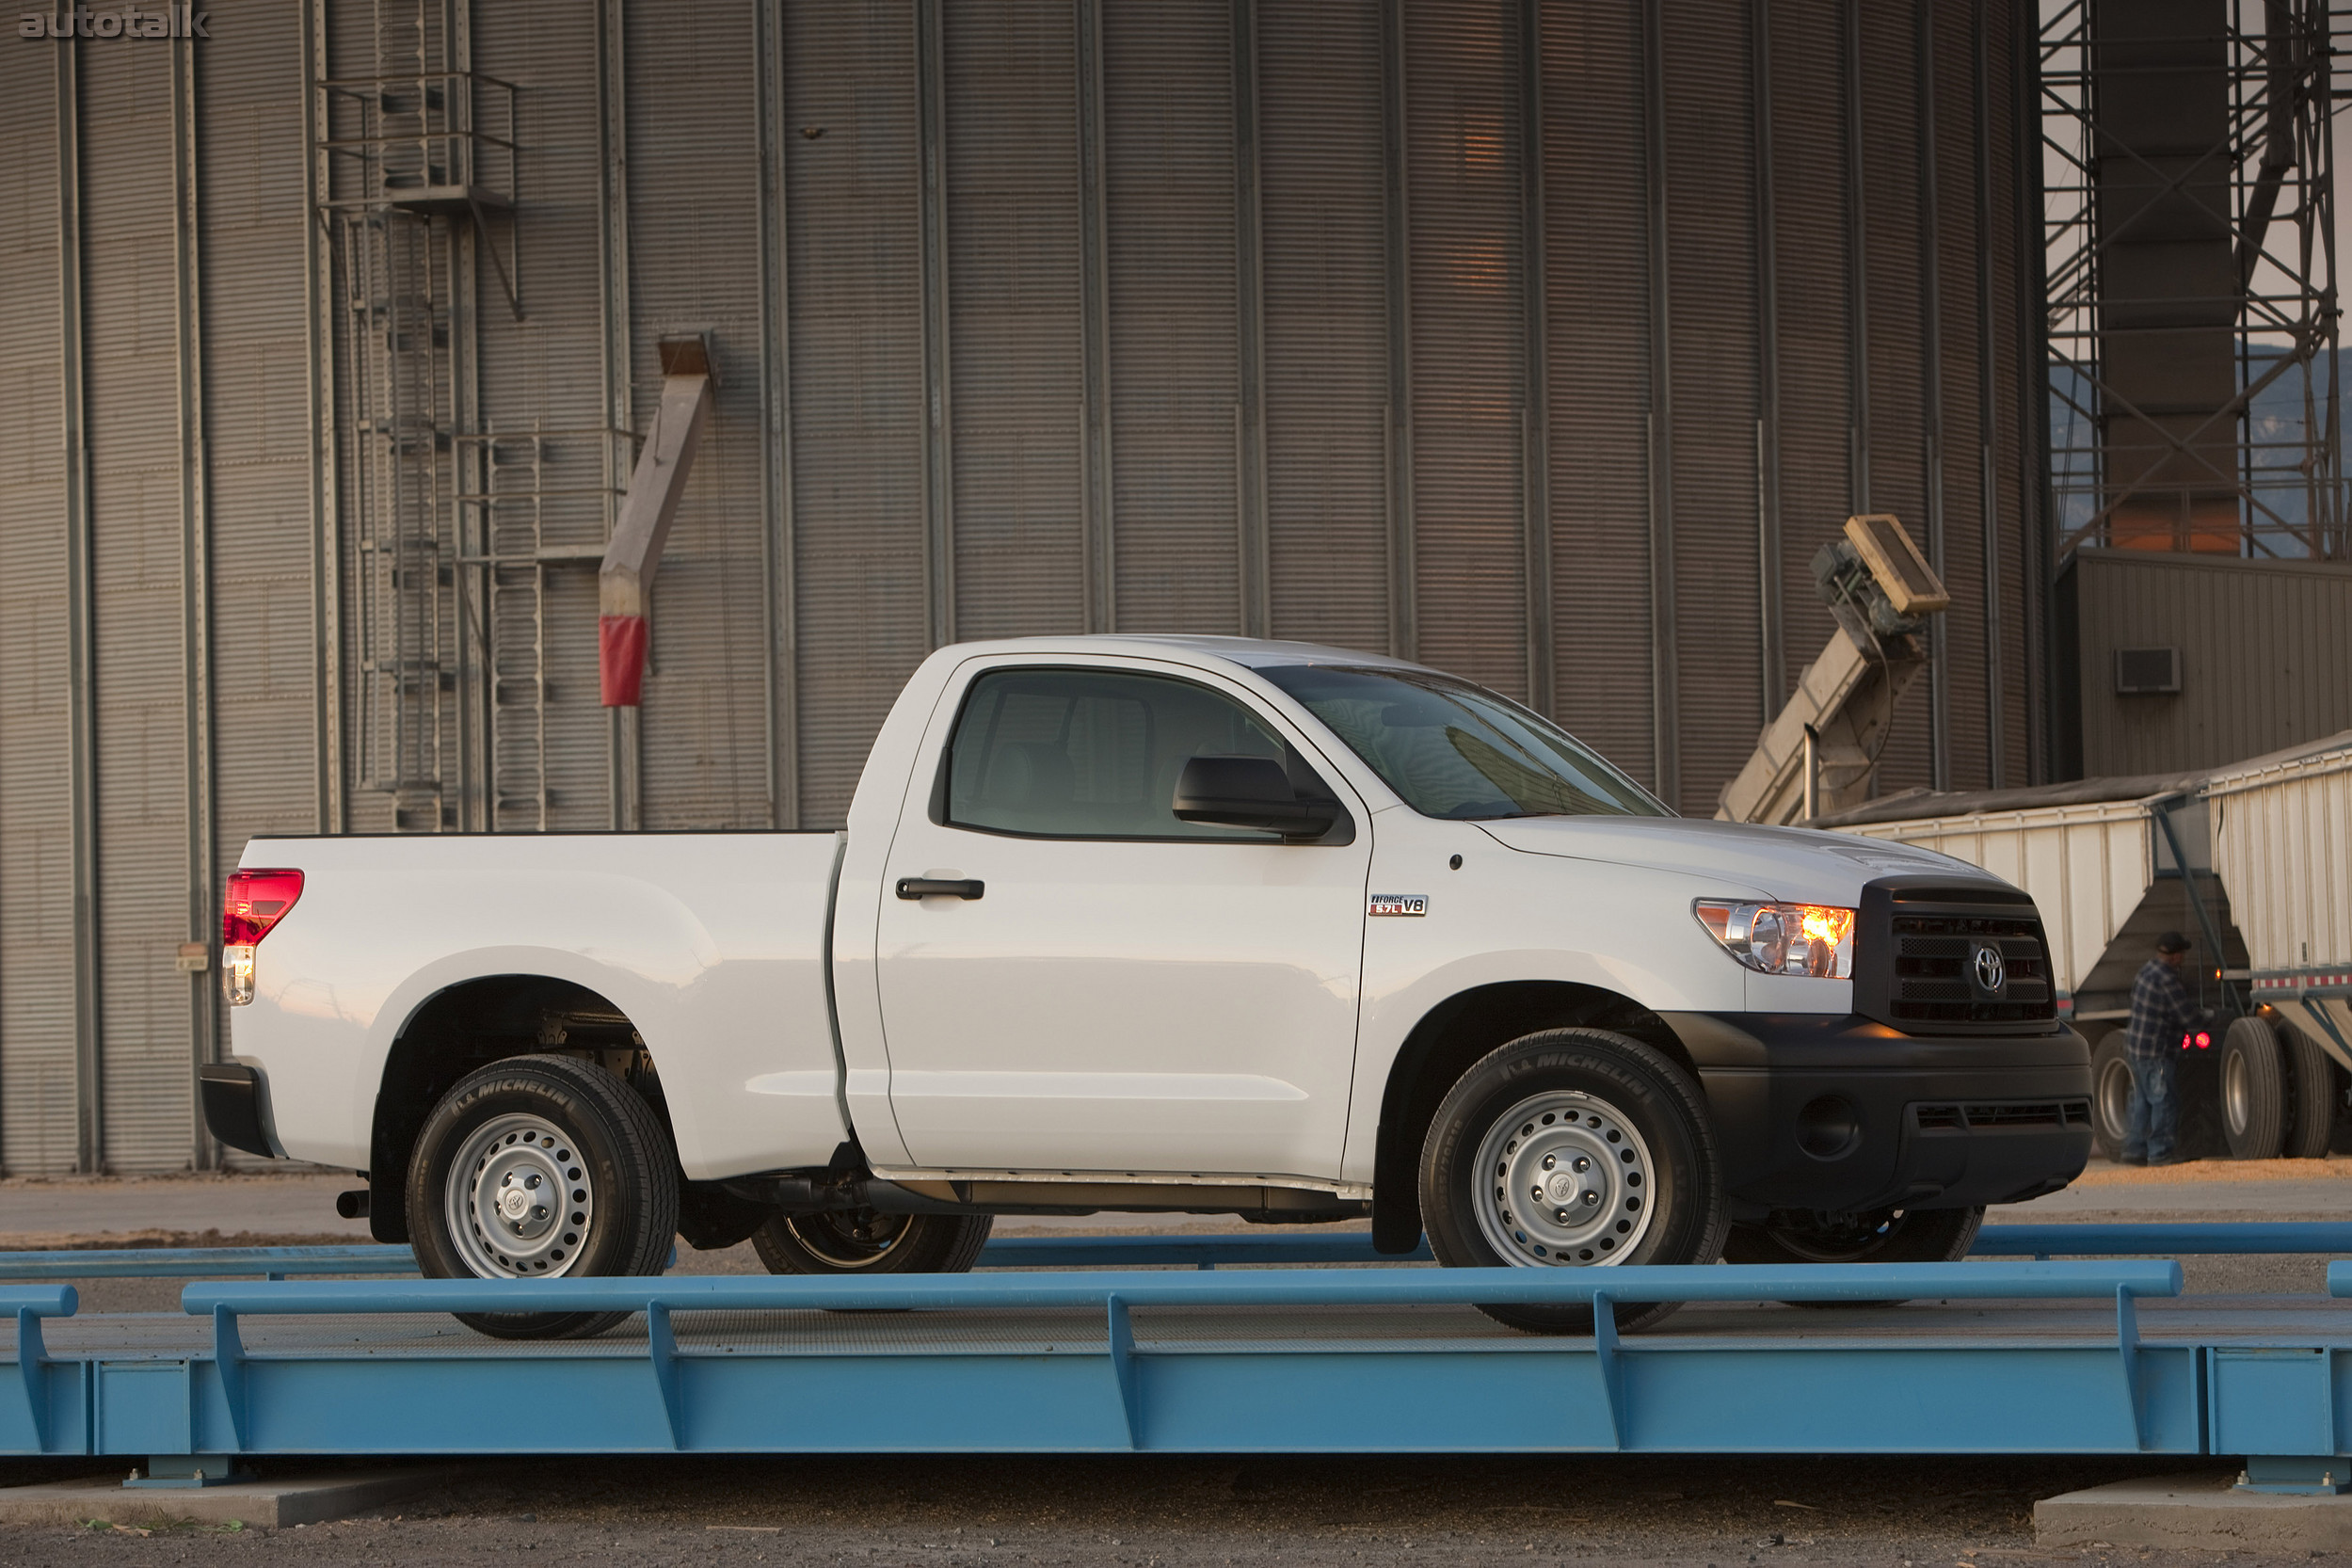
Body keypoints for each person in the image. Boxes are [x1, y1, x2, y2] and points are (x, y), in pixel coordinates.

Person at [2120, 931, 2200, 1166]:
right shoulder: (2167, 979)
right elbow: (2186, 1016)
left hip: (2136, 1049)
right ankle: (2160, 1152)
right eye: (2182, 954)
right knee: (2163, 1101)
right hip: (2156, 1052)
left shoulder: (2145, 972)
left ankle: (2134, 1150)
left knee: (2142, 1101)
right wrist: (2210, 1018)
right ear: (2176, 956)